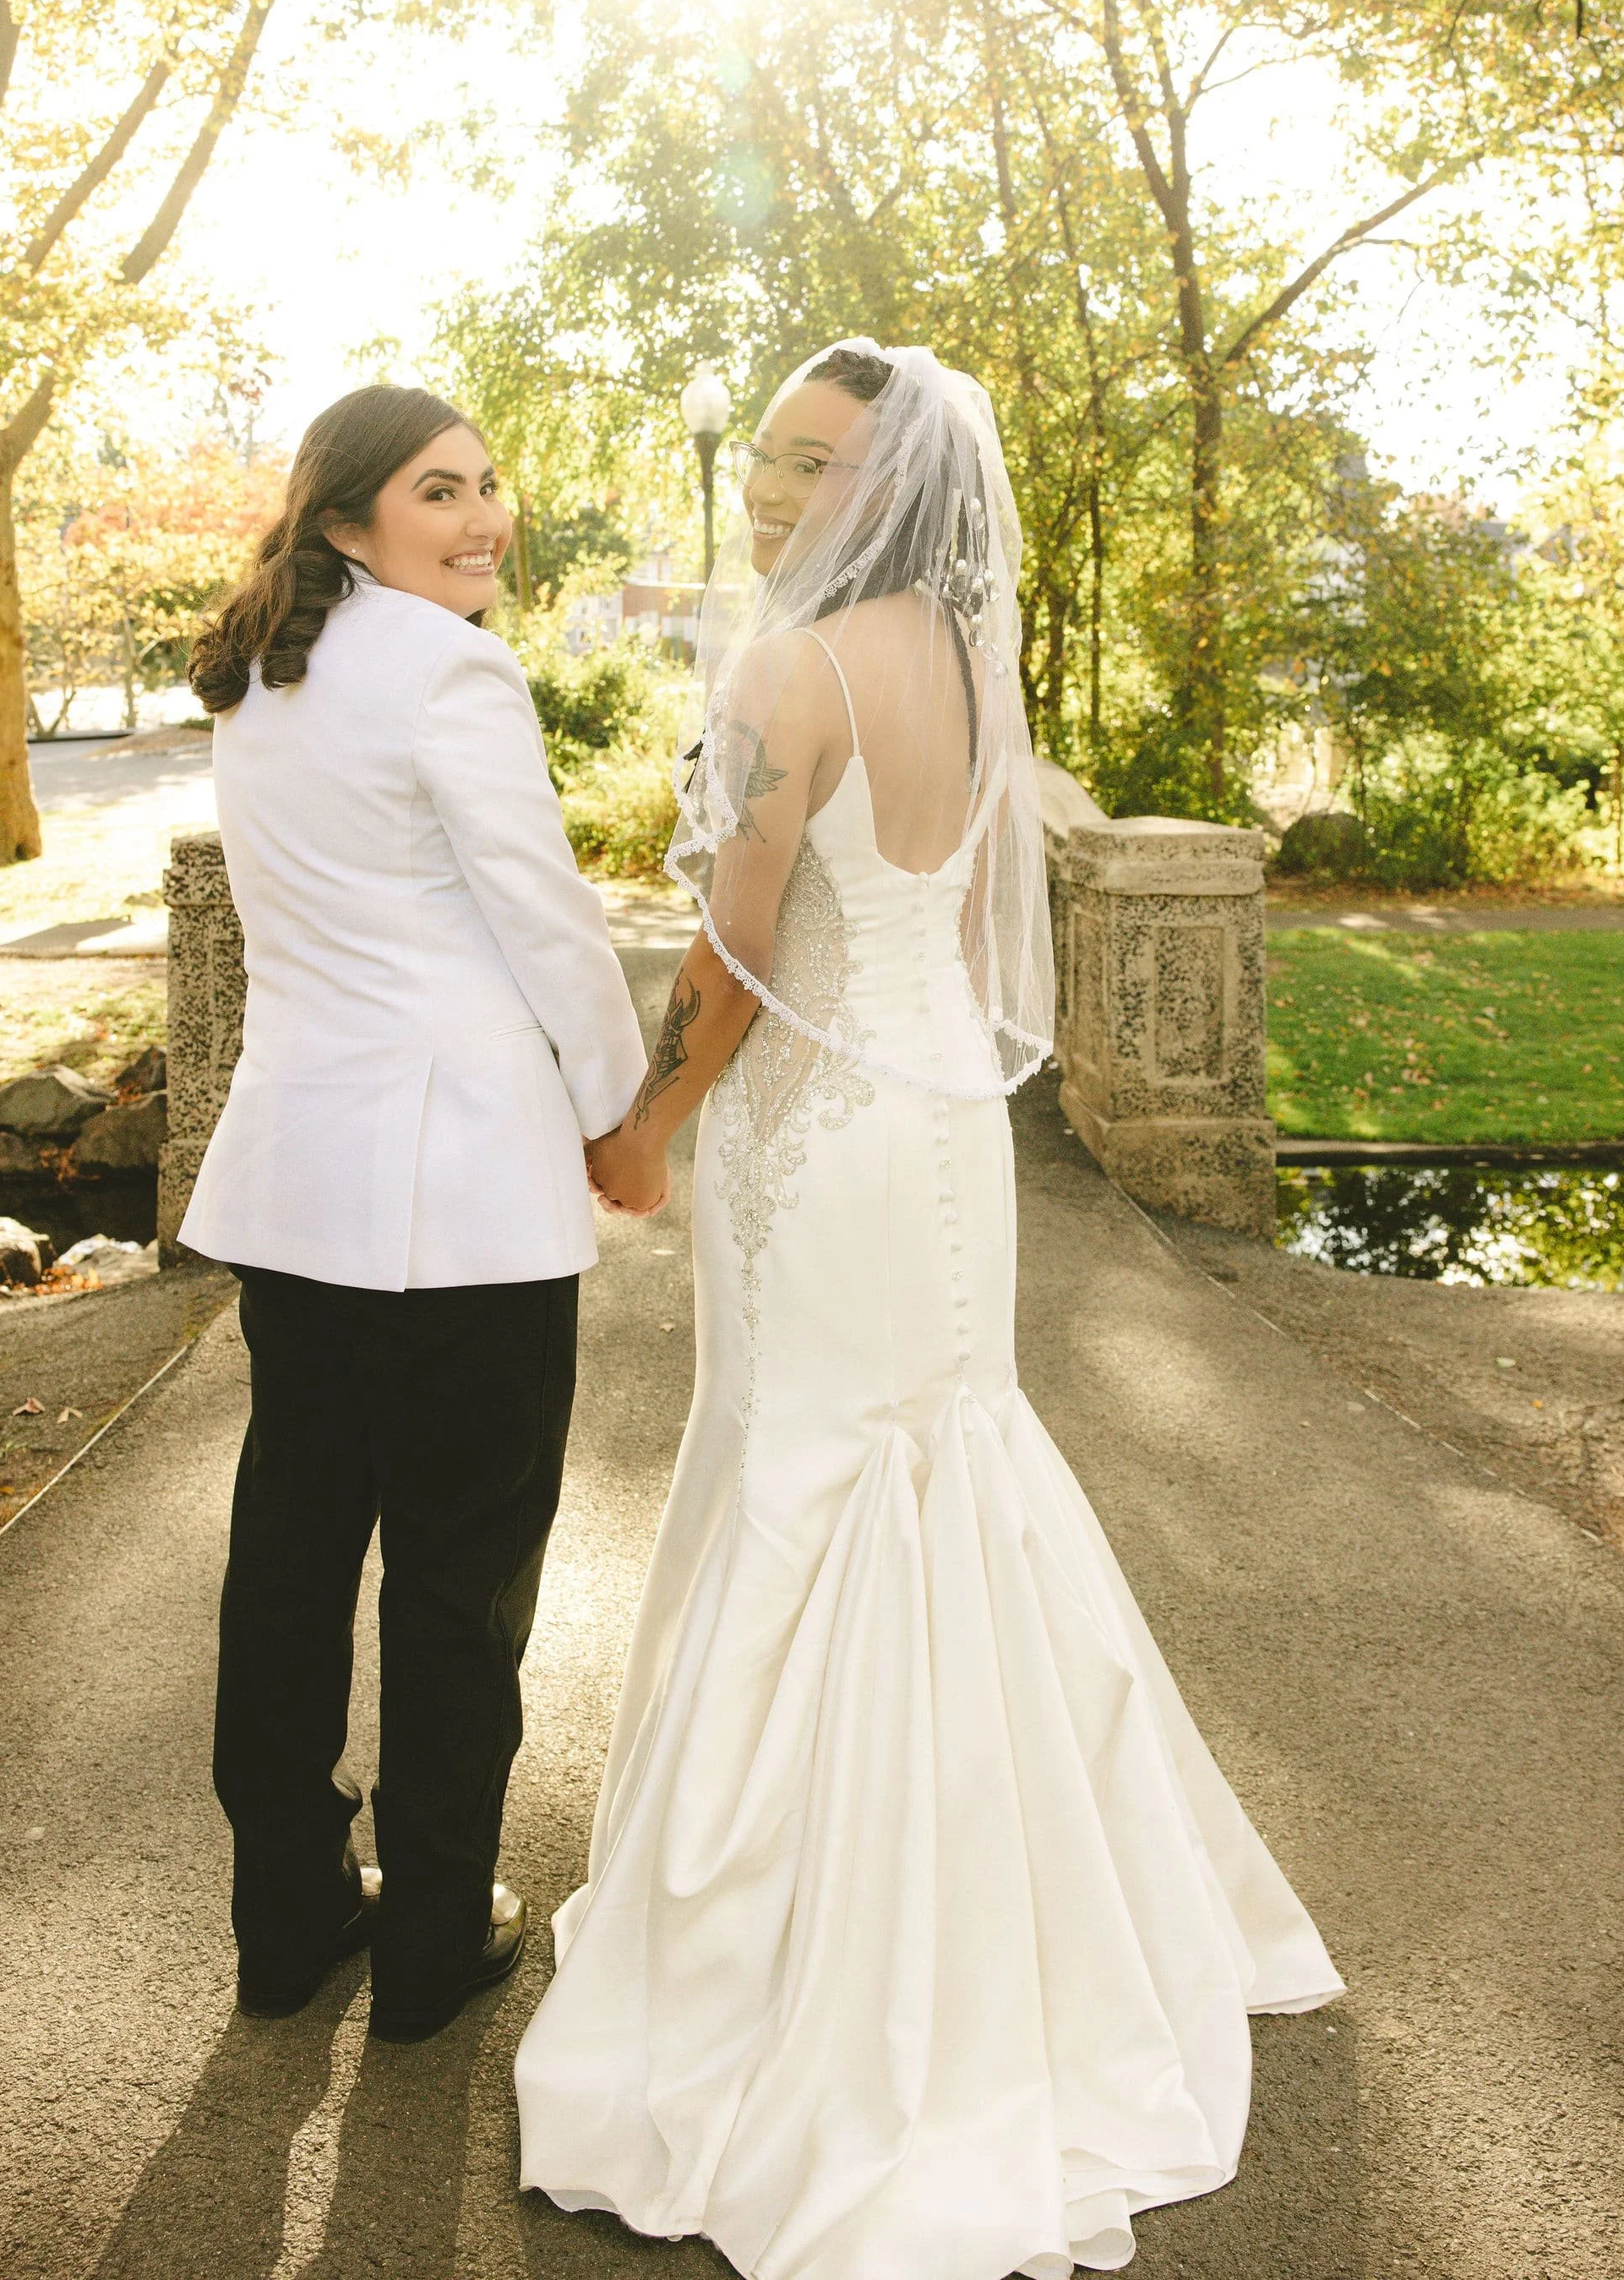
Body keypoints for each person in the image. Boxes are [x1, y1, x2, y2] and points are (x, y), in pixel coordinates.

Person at [515, 341, 1343, 2275]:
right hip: (941, 1123)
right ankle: (1024, 1911)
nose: (770, 492)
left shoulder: (788, 663)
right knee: (938, 1460)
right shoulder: (963, 662)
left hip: (815, 1132)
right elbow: (965, 935)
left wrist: (650, 1124)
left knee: (808, 1467)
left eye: (813, 466)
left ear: (889, 486)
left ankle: (811, 1966)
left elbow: (730, 953)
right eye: (771, 457)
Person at [183, 385, 645, 2043]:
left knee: (291, 1561)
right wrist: (619, 1108)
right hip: (463, 1206)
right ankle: (437, 1934)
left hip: (297, 1188)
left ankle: (287, 1912)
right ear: (343, 521)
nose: (485, 515)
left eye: (488, 483)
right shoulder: (450, 666)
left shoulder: (260, 675)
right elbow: (546, 920)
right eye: (438, 490)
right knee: (460, 1579)